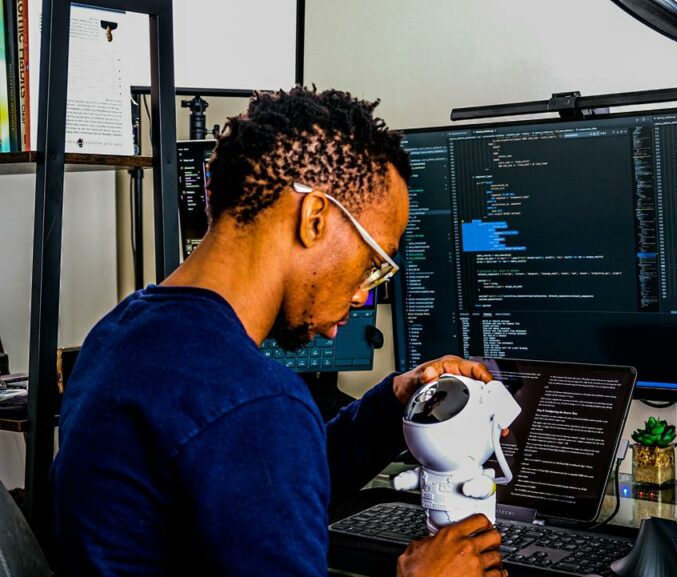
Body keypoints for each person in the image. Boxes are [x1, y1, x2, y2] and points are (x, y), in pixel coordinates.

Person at [52, 87, 505, 577]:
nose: (361, 296)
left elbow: (255, 490)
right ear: (313, 219)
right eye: (372, 263)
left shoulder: (121, 332)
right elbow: (252, 442)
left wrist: (391, 404)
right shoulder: (254, 403)